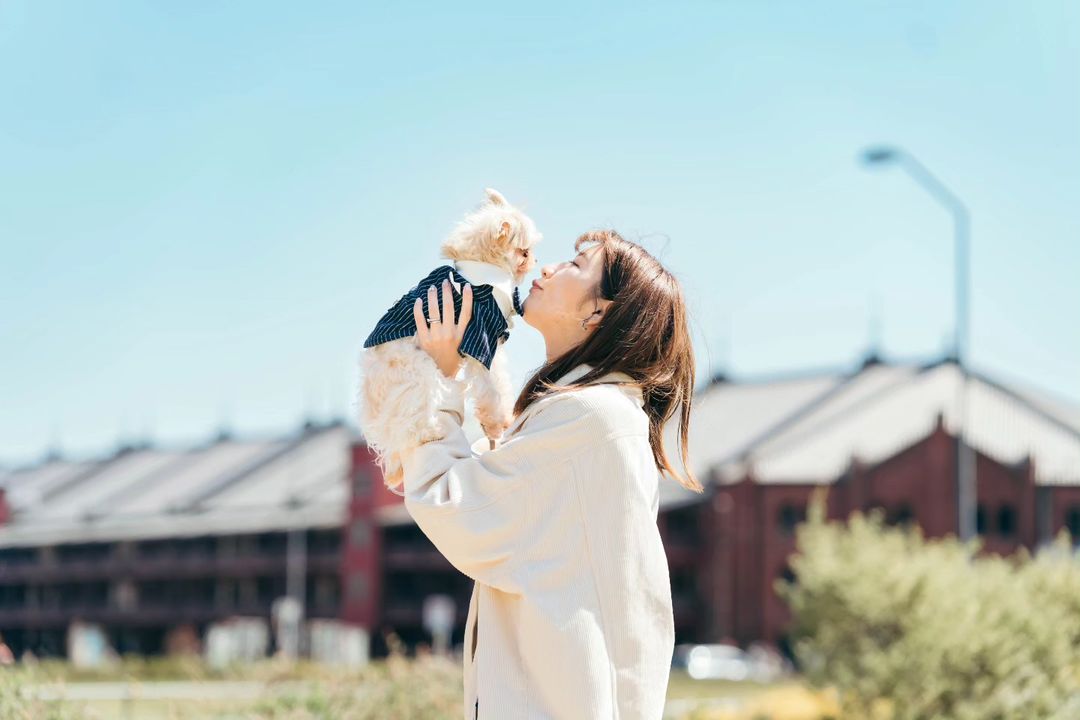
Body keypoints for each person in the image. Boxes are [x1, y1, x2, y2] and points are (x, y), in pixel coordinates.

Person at [401, 228, 703, 719]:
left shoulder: (590, 418)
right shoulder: (599, 416)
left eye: (576, 264)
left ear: (599, 312)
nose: (545, 268)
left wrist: (442, 378)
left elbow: (460, 509)